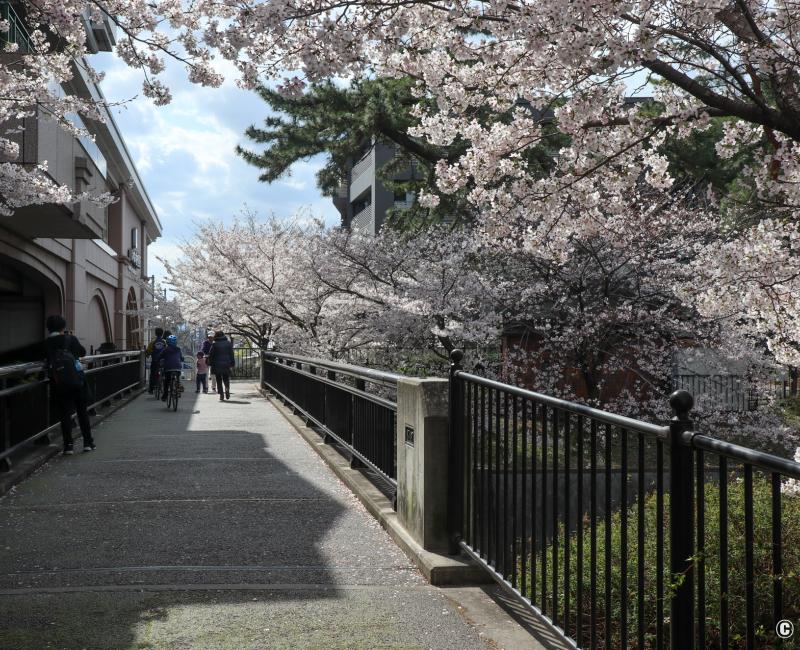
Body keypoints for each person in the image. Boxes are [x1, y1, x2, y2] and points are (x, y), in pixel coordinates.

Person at [44, 315, 95, 455]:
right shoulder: (71, 339)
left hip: (59, 383)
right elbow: (83, 352)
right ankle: (88, 443)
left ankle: (68, 446)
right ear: (63, 327)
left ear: (48, 328)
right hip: (77, 380)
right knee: (82, 412)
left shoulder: (47, 343)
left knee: (65, 414)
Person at [153, 334, 184, 402]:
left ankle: (165, 395)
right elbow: (182, 358)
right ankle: (177, 388)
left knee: (167, 381)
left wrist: (157, 360)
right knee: (177, 377)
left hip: (168, 368)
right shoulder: (178, 349)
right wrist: (181, 359)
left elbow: (160, 356)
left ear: (167, 342)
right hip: (177, 367)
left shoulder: (166, 350)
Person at [208, 330, 234, 401]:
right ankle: (227, 388)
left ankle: (221, 394)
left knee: (218, 379)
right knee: (226, 378)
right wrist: (232, 363)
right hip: (226, 364)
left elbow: (211, 355)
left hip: (217, 364)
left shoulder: (214, 344)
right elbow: (231, 354)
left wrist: (210, 363)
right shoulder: (228, 343)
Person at [145, 327, 166, 394]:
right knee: (165, 374)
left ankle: (151, 389)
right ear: (162, 334)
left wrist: (147, 355)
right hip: (163, 362)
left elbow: (148, 351)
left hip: (155, 361)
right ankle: (165, 388)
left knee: (152, 374)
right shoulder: (165, 342)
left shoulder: (152, 342)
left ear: (155, 334)